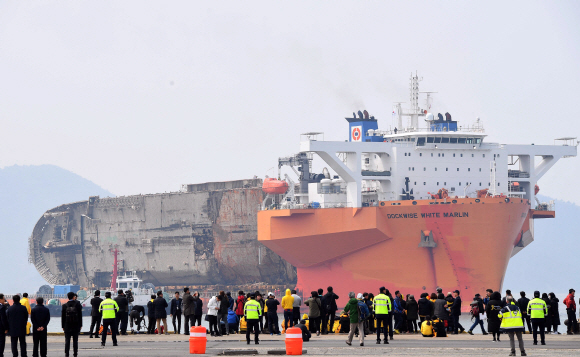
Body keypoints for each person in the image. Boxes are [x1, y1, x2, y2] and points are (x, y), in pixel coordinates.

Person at [62, 292, 82, 357]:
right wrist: (80, 325)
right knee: (75, 341)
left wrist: (63, 326)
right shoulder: (78, 305)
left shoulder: (64, 306)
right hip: (76, 325)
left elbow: (63, 317)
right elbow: (80, 316)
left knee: (67, 340)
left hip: (67, 325)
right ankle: (75, 354)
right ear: (74, 297)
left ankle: (66, 354)